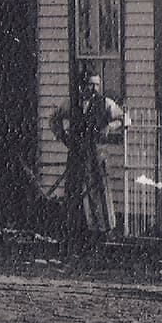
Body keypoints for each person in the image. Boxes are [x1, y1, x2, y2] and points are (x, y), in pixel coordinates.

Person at [49, 72, 129, 248]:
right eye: (91, 85)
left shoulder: (105, 103)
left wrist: (109, 126)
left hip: (97, 153)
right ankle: (76, 231)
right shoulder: (71, 103)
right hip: (77, 153)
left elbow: (125, 119)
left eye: (97, 85)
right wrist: (63, 136)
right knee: (74, 189)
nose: (94, 89)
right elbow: (54, 119)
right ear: (82, 87)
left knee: (99, 190)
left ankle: (105, 231)